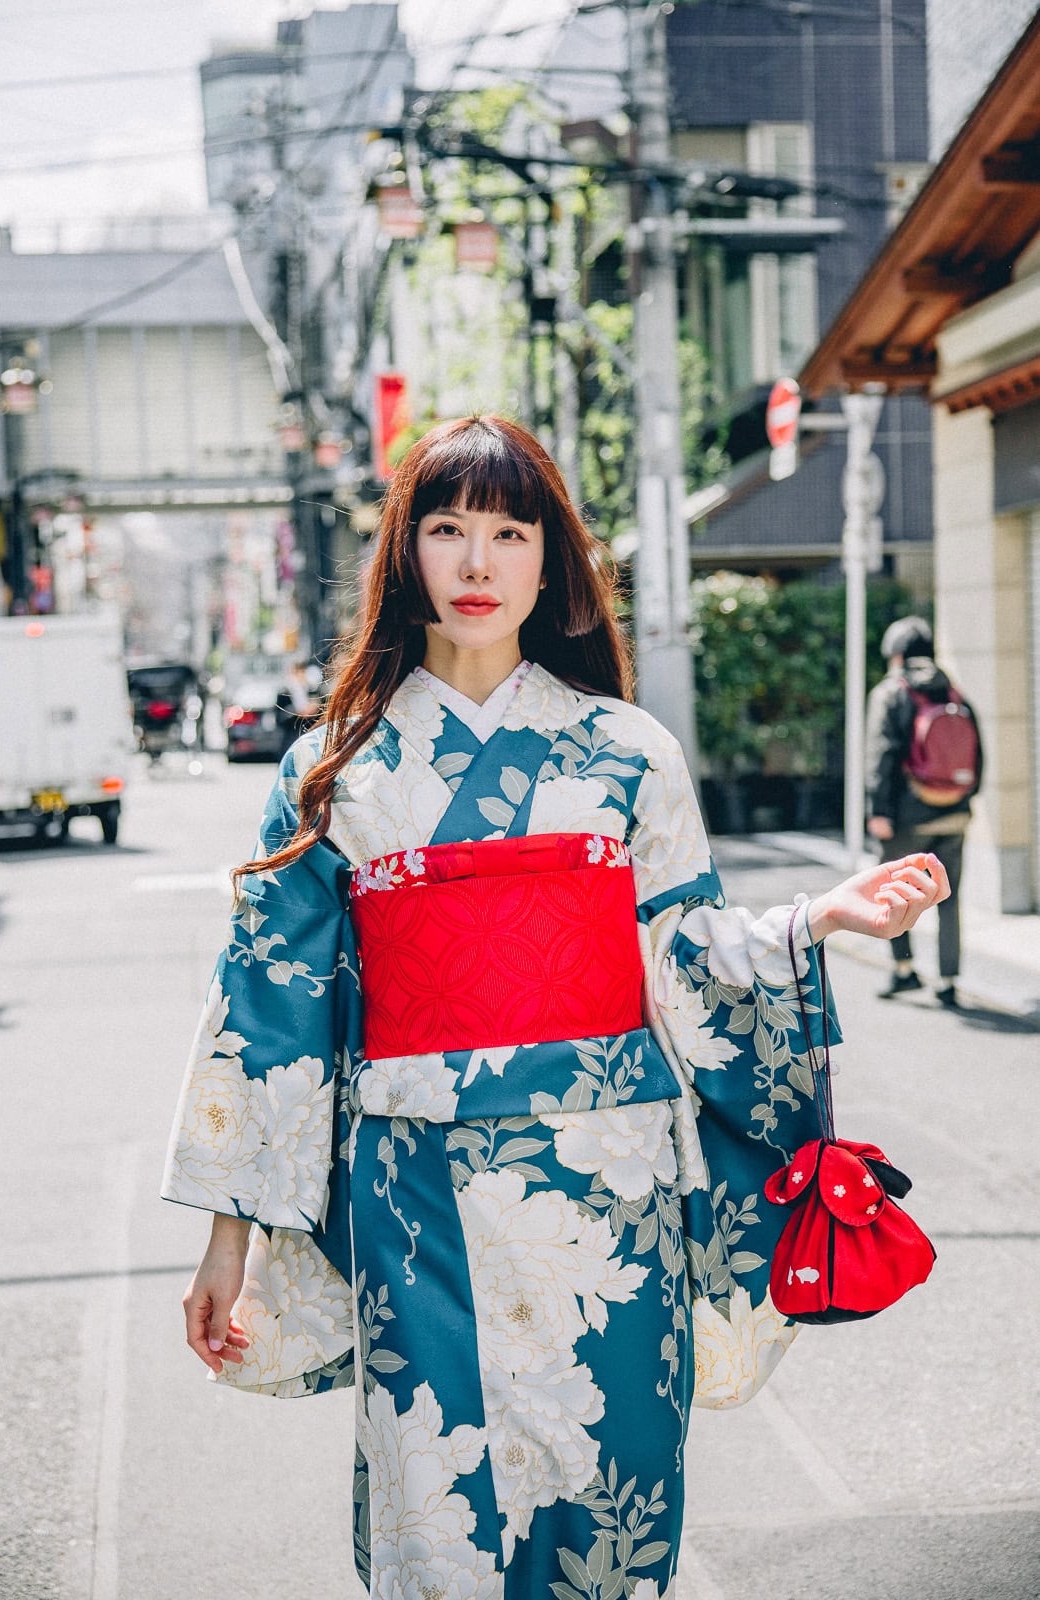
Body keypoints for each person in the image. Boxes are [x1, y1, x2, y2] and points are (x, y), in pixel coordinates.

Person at [162, 417, 947, 1600]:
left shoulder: (627, 752)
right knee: (442, 1523)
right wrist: (230, 1241)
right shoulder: (335, 768)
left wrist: (815, 920)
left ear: (549, 560)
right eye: (446, 530)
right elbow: (269, 1004)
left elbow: (684, 957)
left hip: (607, 1194)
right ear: (405, 556)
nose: (476, 563)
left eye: (507, 532)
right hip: (414, 1201)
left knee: (609, 1516)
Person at [865, 615, 982, 1009]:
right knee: (950, 899)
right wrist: (963, 800)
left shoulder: (891, 692)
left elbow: (880, 754)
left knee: (897, 894)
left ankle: (904, 971)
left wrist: (878, 810)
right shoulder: (954, 693)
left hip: (907, 817)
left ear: (895, 655)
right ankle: (948, 981)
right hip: (955, 814)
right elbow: (978, 754)